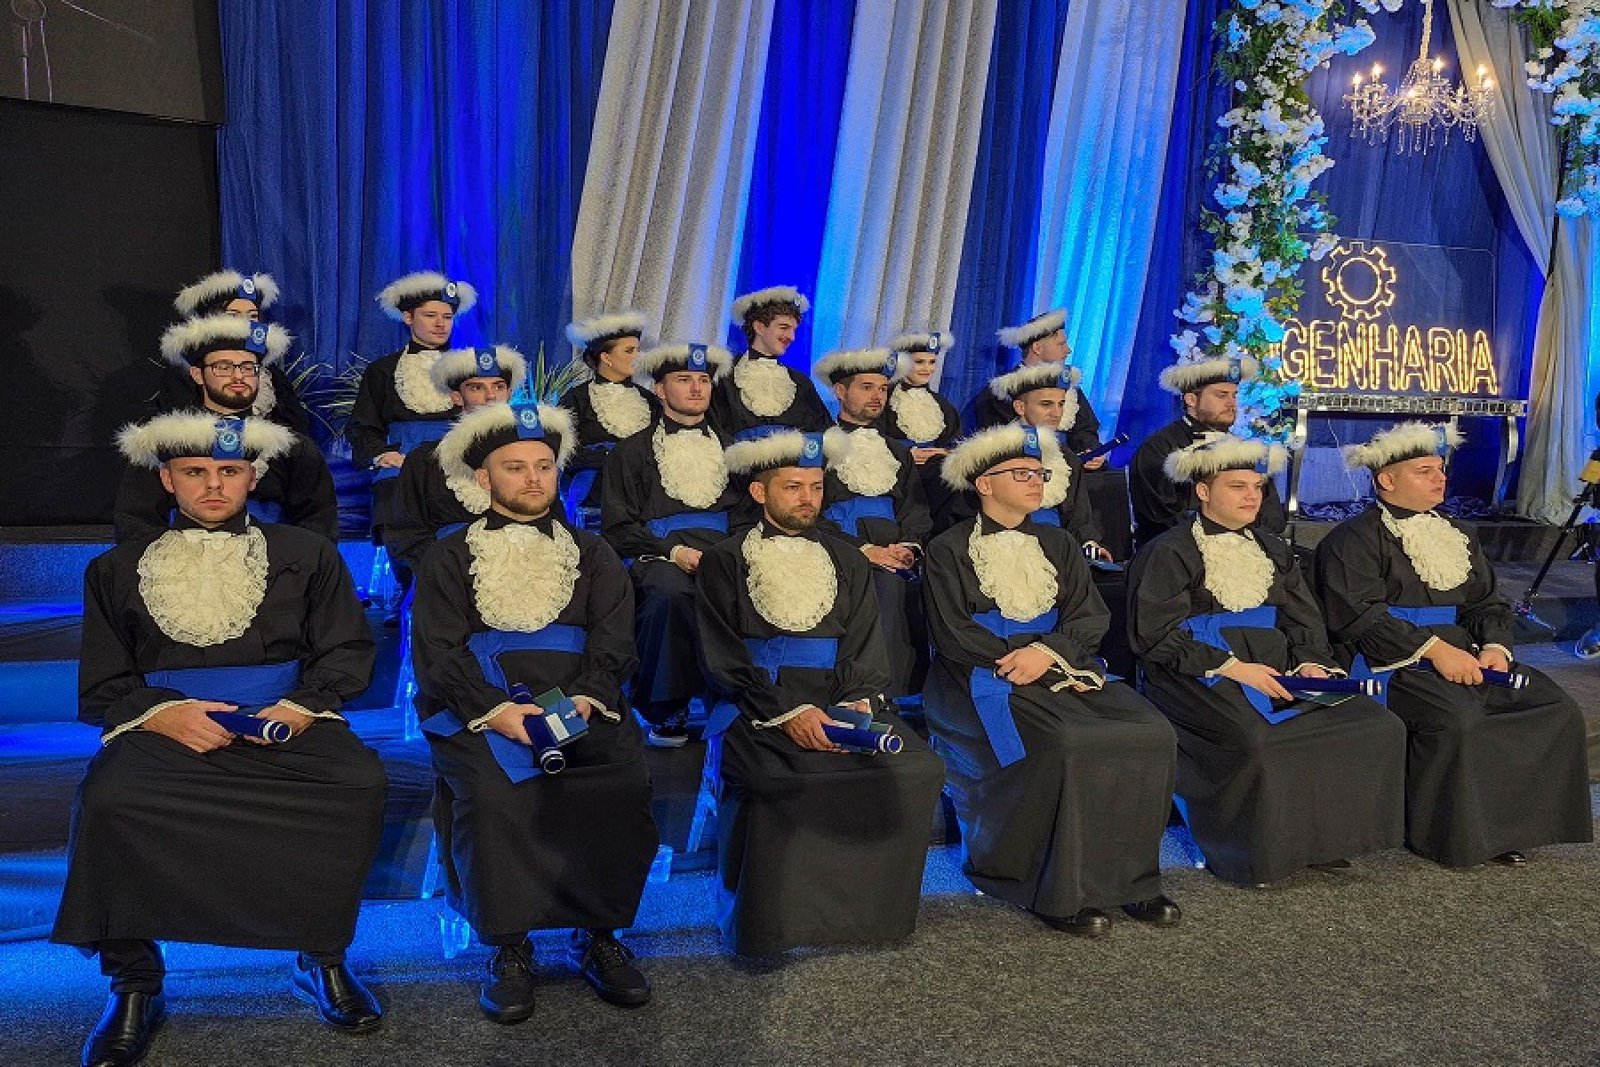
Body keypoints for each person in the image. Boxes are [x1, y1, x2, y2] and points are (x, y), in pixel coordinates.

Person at [55, 412, 387, 1067]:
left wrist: (300, 706)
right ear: (167, 479)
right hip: (167, 724)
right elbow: (103, 683)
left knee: (359, 782)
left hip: (283, 718)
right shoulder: (114, 569)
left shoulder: (306, 552)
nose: (213, 485)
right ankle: (135, 984)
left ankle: (321, 955)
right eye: (195, 472)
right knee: (110, 799)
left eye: (229, 470)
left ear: (252, 476)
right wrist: (161, 712)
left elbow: (346, 649)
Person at [412, 401, 658, 1022]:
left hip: (580, 702)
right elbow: (438, 652)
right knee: (495, 794)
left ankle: (598, 935)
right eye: (515, 467)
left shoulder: (593, 552)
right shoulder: (447, 556)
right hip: (482, 704)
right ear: (483, 478)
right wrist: (495, 712)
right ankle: (509, 947)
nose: (532, 478)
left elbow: (615, 640)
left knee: (621, 781)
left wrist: (588, 697)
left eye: (543, 466)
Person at [923, 423, 1181, 936]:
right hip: (981, 677)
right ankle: (1056, 888)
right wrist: (1019, 659)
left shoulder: (1059, 541)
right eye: (1021, 473)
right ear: (984, 484)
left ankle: (1130, 879)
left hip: (1057, 665)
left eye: (1039, 473)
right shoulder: (947, 548)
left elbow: (1088, 615)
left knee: (1151, 731)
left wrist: (1048, 653)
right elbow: (953, 631)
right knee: (1067, 743)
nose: (1036, 481)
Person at [695, 429, 946, 956]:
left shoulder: (848, 558)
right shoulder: (725, 559)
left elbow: (864, 643)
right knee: (774, 776)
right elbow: (723, 657)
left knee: (918, 767)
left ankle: (867, 916)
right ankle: (771, 925)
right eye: (792, 487)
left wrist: (857, 700)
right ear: (760, 492)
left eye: (815, 486)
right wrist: (788, 713)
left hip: (838, 695)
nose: (808, 498)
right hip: (759, 700)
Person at [1127, 435, 1406, 886]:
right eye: (1237, 487)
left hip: (1281, 667)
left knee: (1373, 723)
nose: (1252, 496)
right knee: (1258, 740)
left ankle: (1316, 841)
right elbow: (1155, 634)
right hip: (1201, 671)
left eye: (1257, 487)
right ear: (1203, 491)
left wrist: (1311, 662)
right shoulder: (1169, 551)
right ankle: (1250, 854)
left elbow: (1302, 617)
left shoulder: (1274, 548)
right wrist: (1235, 668)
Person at [1313, 422, 1592, 868]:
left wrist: (1495, 647)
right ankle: (1449, 836)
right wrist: (1436, 652)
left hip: (1466, 652)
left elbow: (1486, 603)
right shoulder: (1351, 540)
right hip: (1391, 661)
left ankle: (1504, 828)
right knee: (1461, 718)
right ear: (1387, 480)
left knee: (1553, 706)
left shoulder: (1459, 533)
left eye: (1440, 469)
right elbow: (1360, 617)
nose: (1440, 478)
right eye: (1424, 471)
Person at [600, 341, 742, 747]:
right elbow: (618, 525)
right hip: (658, 553)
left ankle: (736, 700)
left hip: (725, 553)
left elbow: (750, 515)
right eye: (684, 380)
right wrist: (673, 552)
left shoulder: (735, 450)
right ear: (660, 389)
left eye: (703, 380)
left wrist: (726, 555)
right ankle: (666, 709)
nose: (696, 388)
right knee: (670, 593)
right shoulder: (630, 452)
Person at [117, 314, 338, 542]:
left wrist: (287, 559)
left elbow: (318, 523)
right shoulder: (166, 442)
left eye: (248, 367)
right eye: (223, 367)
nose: (238, 376)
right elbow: (137, 522)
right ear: (197, 374)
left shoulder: (292, 447)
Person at [348, 272, 477, 615]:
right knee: (394, 492)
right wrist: (382, 454)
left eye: (447, 316)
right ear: (408, 317)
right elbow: (363, 426)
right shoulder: (381, 371)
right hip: (403, 459)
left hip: (459, 458)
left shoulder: (470, 369)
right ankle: (411, 588)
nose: (440, 324)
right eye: (430, 315)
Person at [813, 347, 932, 699]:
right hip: (839, 547)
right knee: (883, 587)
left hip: (895, 551)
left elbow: (914, 508)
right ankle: (873, 695)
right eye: (867, 387)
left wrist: (908, 548)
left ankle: (917, 694)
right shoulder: (817, 448)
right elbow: (810, 514)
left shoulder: (897, 451)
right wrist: (864, 550)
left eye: (882, 388)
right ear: (840, 391)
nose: (878, 396)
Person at [387, 344, 528, 575]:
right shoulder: (424, 461)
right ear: (457, 397)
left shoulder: (531, 458)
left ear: (509, 394)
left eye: (498, 386)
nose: (491, 396)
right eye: (476, 388)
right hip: (447, 574)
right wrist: (447, 567)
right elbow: (405, 534)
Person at [1128, 353, 1287, 552]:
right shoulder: (1157, 450)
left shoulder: (1246, 451)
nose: (1231, 403)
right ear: (1191, 399)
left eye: (1234, 395)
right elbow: (1162, 519)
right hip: (1178, 557)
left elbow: (1272, 517)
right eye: (1221, 395)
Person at [159, 269, 312, 434]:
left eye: (252, 316)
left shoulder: (272, 375)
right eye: (233, 315)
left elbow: (295, 428)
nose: (244, 323)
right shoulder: (184, 374)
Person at [974, 308, 1104, 462]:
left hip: (1072, 464)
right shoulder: (1003, 392)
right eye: (1061, 344)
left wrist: (1090, 452)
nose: (1068, 350)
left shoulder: (1070, 389)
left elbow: (1086, 430)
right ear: (1037, 348)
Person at [563, 310, 658, 515]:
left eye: (638, 350)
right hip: (595, 501)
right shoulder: (576, 399)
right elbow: (564, 453)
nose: (637, 356)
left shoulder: (650, 401)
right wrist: (604, 455)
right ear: (606, 357)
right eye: (629, 351)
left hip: (643, 500)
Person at [711, 285, 831, 440]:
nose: (791, 337)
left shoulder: (800, 382)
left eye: (794, 330)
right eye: (784, 327)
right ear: (759, 327)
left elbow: (822, 432)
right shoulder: (724, 377)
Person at [883, 329, 962, 523]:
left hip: (936, 467)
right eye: (919, 362)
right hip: (899, 468)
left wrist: (945, 452)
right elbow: (874, 435)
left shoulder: (941, 404)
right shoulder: (885, 399)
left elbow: (954, 440)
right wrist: (907, 453)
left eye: (932, 362)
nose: (927, 369)